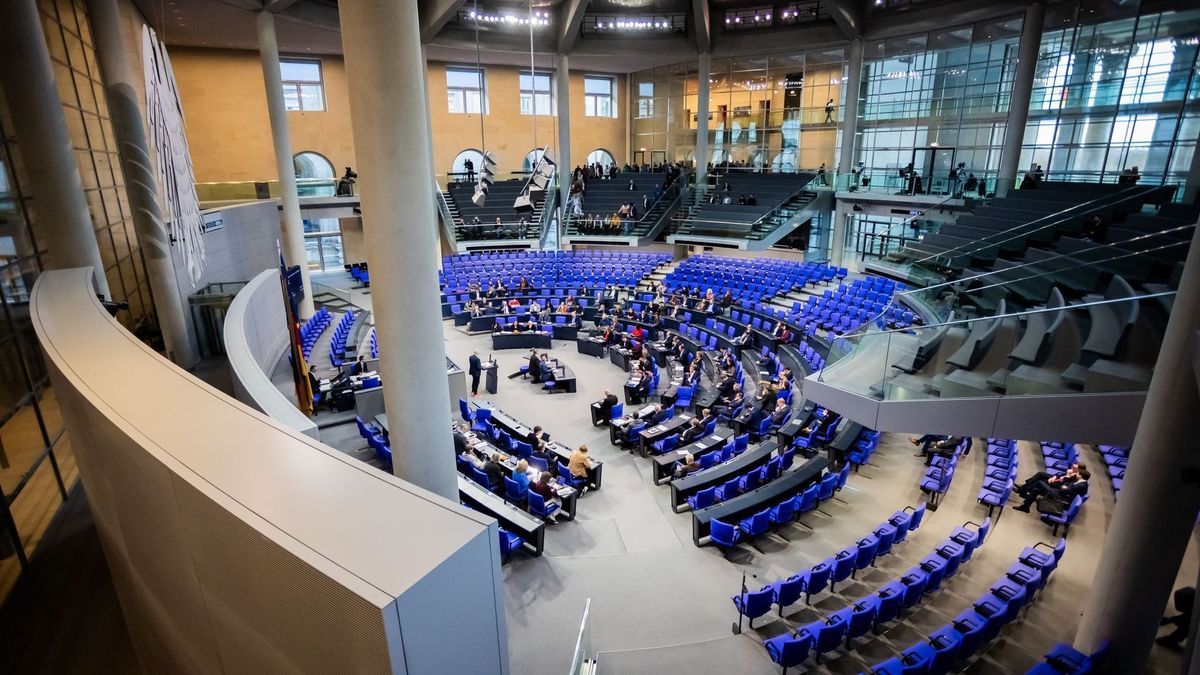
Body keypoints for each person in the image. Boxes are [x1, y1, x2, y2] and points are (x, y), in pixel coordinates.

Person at [1012, 463, 1089, 512]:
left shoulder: (1080, 484)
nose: (1076, 473)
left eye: (1077, 471)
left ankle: (1023, 490)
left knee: (1039, 482)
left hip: (1058, 495)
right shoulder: (1079, 481)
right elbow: (1066, 484)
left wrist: (1065, 483)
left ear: (1080, 474)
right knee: (1036, 488)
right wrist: (1061, 480)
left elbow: (1064, 489)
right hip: (1058, 489)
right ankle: (1025, 507)